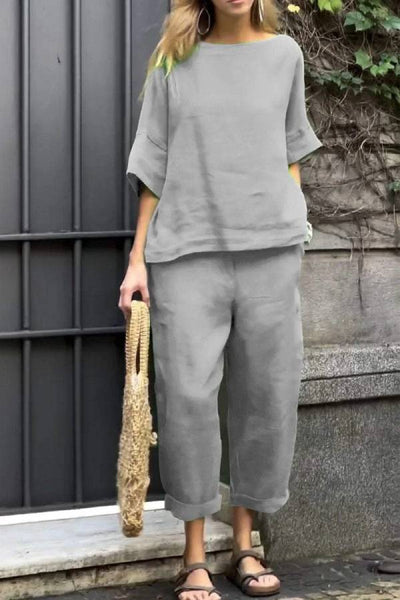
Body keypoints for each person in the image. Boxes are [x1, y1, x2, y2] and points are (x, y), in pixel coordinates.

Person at [118, 0, 323, 598]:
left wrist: (295, 224)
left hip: (271, 250)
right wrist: (137, 258)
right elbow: (153, 161)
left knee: (266, 396)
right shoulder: (173, 60)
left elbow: (292, 151)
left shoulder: (286, 55)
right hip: (186, 252)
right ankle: (193, 555)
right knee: (186, 398)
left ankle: (244, 545)